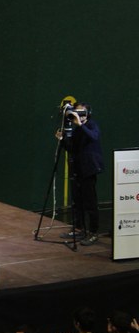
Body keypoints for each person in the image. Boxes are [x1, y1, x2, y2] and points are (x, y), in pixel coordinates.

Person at [56, 102, 104, 246]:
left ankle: (93, 232)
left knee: (90, 202)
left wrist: (81, 125)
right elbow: (72, 148)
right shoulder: (77, 129)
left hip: (89, 169)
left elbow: (94, 137)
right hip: (77, 168)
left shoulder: (91, 125)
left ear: (88, 114)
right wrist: (62, 140)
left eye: (82, 113)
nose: (79, 116)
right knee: (77, 201)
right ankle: (79, 229)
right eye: (77, 113)